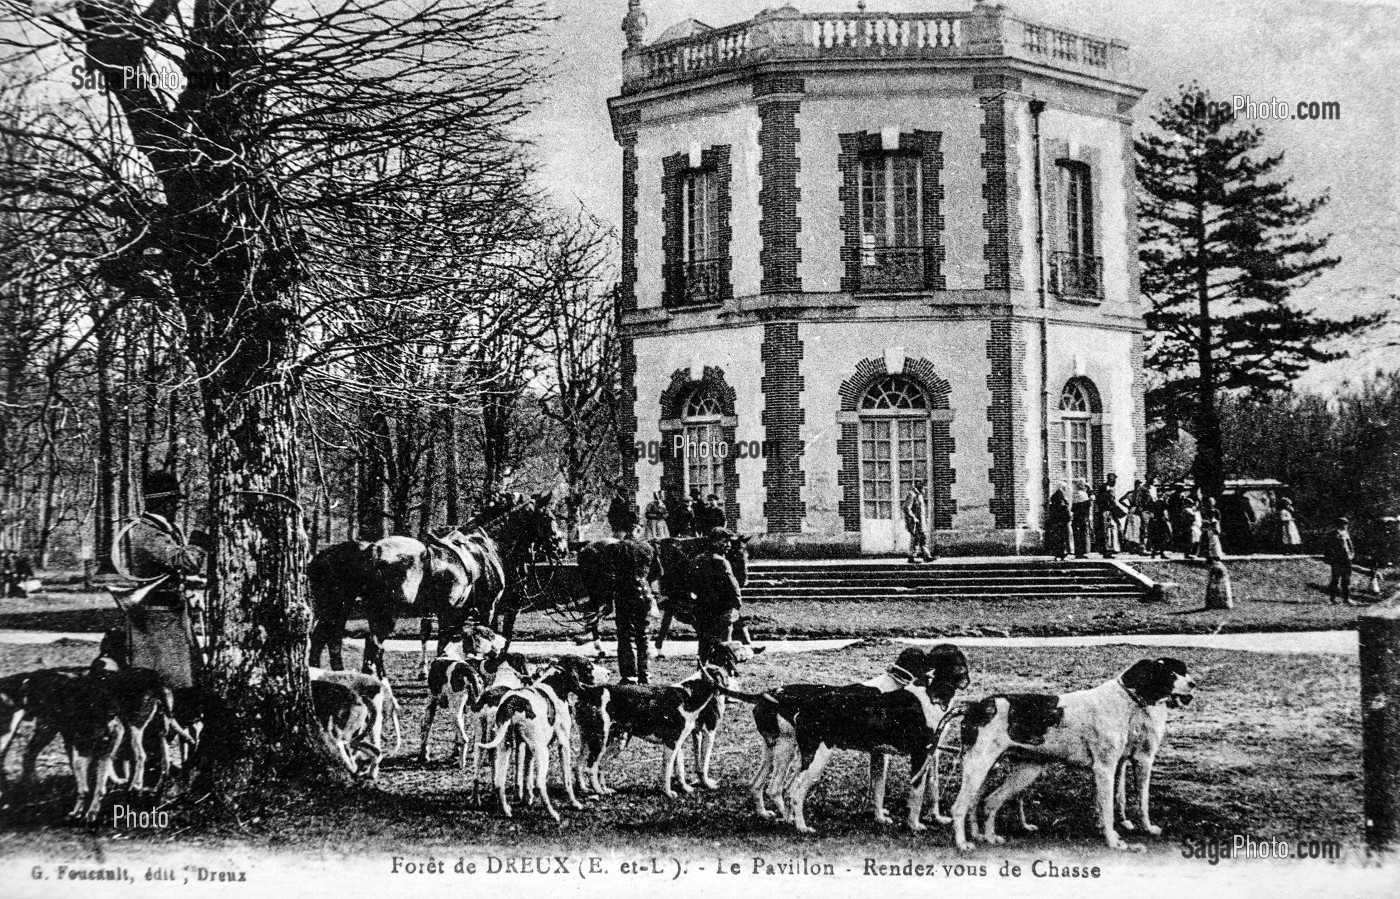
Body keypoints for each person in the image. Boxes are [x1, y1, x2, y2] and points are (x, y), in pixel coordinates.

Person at [612, 528, 664, 684]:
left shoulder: (618, 547)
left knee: (625, 634)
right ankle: (644, 673)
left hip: (625, 592)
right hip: (644, 592)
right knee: (643, 634)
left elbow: (609, 570)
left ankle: (629, 675)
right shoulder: (648, 547)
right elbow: (658, 572)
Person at [691, 527, 743, 666]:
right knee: (724, 649)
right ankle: (724, 680)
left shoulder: (698, 559)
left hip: (703, 612)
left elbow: (692, 585)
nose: (728, 545)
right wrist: (736, 608)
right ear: (714, 542)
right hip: (721, 612)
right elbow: (734, 588)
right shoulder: (721, 562)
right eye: (725, 541)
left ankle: (703, 678)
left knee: (704, 649)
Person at [1324, 517, 1356, 605]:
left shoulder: (1346, 534)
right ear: (1339, 524)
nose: (1346, 525)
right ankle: (1332, 599)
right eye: (1344, 524)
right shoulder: (1333, 534)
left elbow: (1351, 546)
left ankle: (1346, 598)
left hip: (1347, 559)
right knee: (1335, 579)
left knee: (1346, 580)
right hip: (1337, 559)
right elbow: (1328, 547)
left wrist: (1351, 555)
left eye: (1346, 524)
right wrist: (1331, 557)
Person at [903, 481, 933, 563]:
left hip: (921, 521)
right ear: (920, 487)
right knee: (916, 538)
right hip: (915, 521)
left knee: (923, 537)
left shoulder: (919, 496)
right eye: (924, 488)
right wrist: (913, 517)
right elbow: (906, 508)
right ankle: (911, 557)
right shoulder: (912, 495)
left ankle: (927, 556)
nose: (925, 490)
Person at [1095, 474, 1124, 559]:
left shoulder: (1111, 488)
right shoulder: (1104, 488)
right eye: (1113, 480)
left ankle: (1111, 549)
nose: (1115, 482)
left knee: (1112, 529)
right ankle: (1106, 550)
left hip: (1110, 512)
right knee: (1106, 530)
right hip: (1106, 512)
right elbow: (1101, 500)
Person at [1046, 485, 1072, 561]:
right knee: (1064, 539)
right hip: (1063, 524)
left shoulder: (1052, 506)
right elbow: (1067, 515)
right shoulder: (1063, 505)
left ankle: (1058, 555)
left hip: (1056, 524)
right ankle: (1064, 554)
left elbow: (1051, 516)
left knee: (1057, 539)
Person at [1070, 483, 1093, 560]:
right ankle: (1081, 552)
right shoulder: (1082, 494)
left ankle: (1079, 552)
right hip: (1081, 518)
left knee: (1079, 535)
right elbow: (1087, 505)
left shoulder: (1076, 494)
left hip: (1078, 518)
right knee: (1082, 535)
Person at [1198, 497, 1224, 561]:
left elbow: (1218, 519)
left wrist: (1215, 522)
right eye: (1209, 502)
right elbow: (1201, 519)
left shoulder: (1216, 511)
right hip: (1206, 528)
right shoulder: (1203, 511)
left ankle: (1216, 555)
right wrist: (1205, 522)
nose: (1210, 504)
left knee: (1214, 542)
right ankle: (1208, 556)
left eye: (1211, 502)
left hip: (1213, 527)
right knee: (1206, 542)